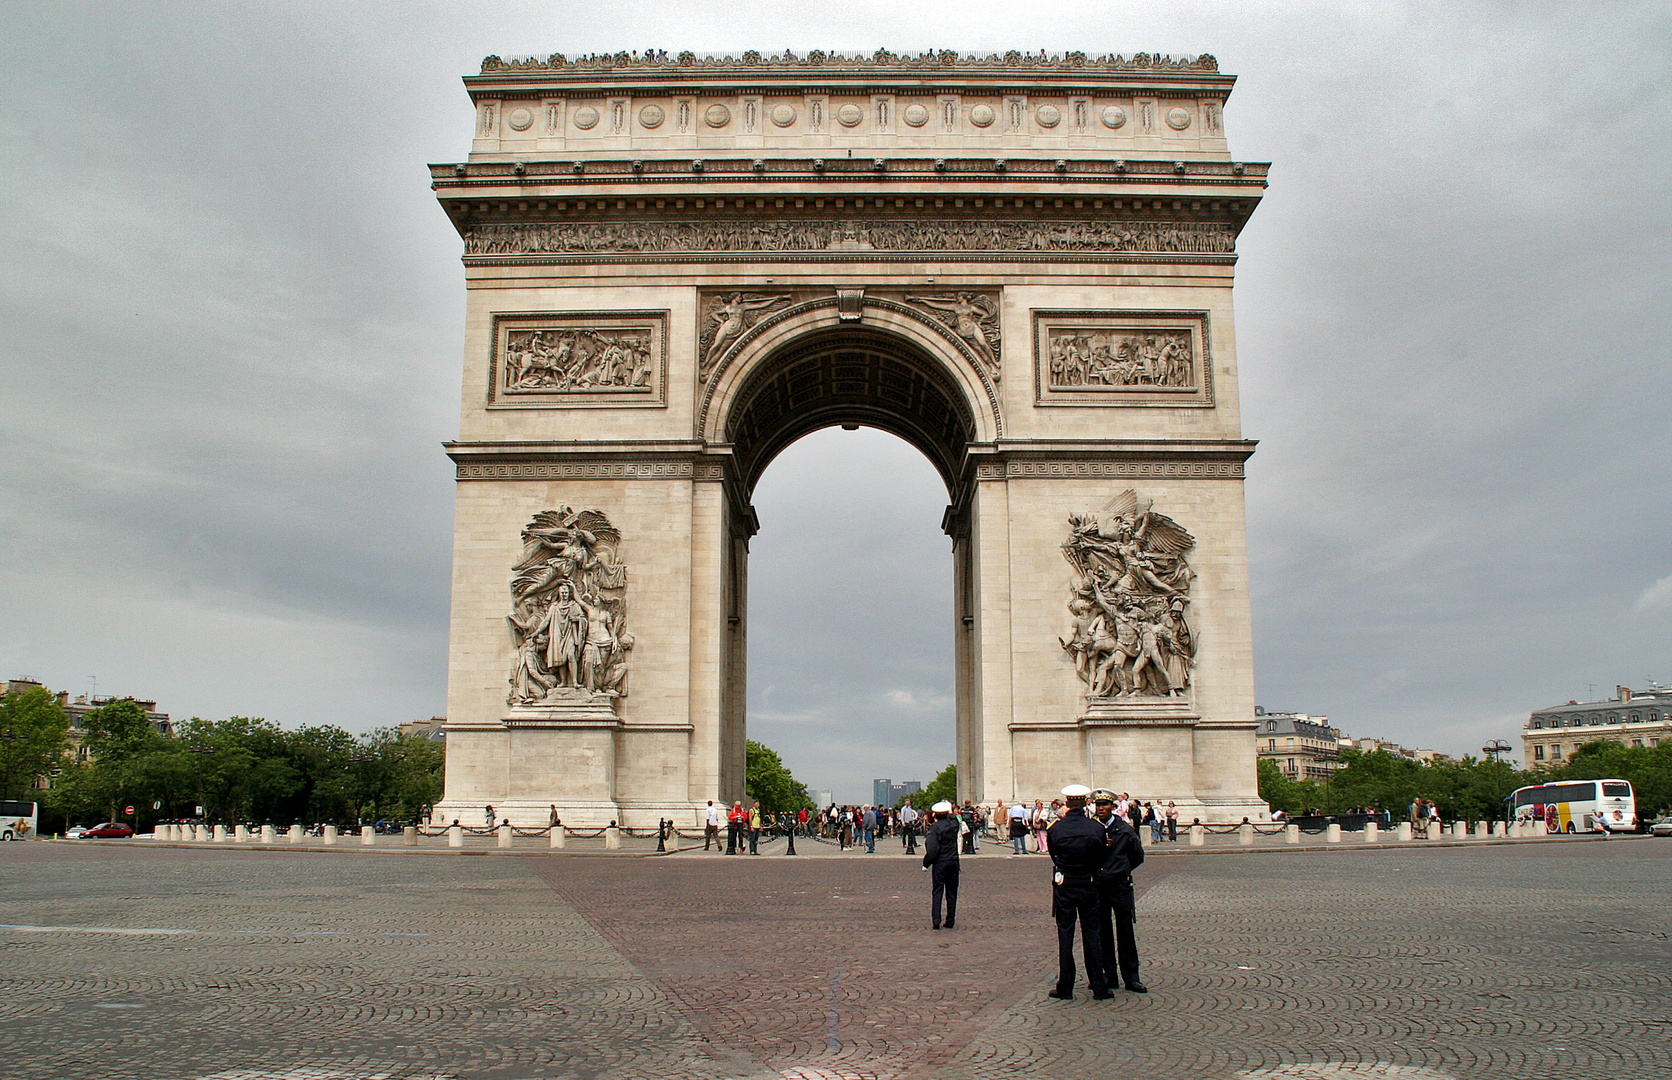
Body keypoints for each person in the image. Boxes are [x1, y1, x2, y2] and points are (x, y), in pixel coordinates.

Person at [1046, 785, 1112, 1001]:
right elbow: (1102, 857)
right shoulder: (1096, 828)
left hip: (1065, 886)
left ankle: (1065, 986)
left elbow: (1054, 856)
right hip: (1089, 885)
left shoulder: (1056, 828)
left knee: (1065, 936)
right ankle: (1099, 986)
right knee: (1092, 934)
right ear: (1086, 803)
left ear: (1067, 804)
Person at [1091, 788, 1147, 993]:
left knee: (1125, 931)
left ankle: (1131, 977)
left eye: (1105, 805)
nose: (1101, 808)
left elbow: (1137, 856)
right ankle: (1109, 976)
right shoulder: (1092, 829)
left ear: (1113, 807)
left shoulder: (1124, 830)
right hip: (1098, 886)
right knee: (1102, 932)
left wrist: (1120, 870)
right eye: (1098, 805)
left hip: (1119, 885)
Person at [922, 800, 961, 929]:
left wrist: (926, 863)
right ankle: (950, 920)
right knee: (952, 892)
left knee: (937, 891)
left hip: (940, 863)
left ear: (935, 815)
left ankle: (936, 920)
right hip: (954, 861)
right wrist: (949, 810)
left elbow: (932, 849)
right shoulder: (954, 825)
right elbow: (954, 817)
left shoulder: (935, 828)